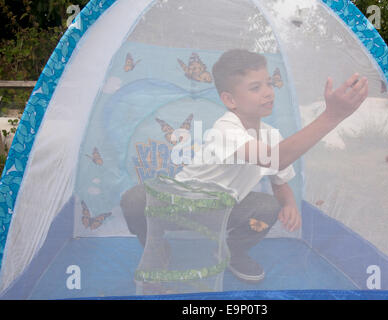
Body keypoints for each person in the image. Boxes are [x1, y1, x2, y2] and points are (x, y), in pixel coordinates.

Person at [121, 49, 368, 286]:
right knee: (134, 200)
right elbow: (274, 159)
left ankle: (233, 252)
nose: (268, 93)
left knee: (269, 205)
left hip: (225, 208)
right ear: (230, 99)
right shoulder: (225, 128)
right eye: (255, 87)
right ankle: (155, 246)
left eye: (269, 83)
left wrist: (290, 204)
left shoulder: (272, 135)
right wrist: (332, 115)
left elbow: (279, 181)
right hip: (183, 202)